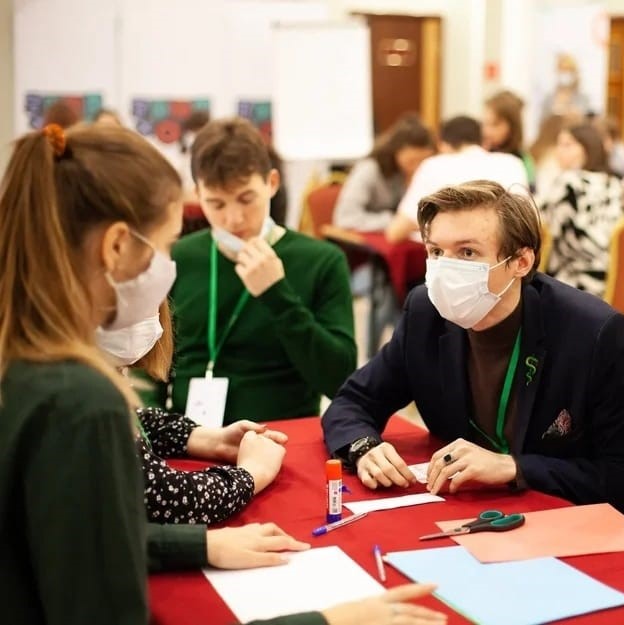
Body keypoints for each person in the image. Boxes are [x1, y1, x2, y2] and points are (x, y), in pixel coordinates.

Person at [0, 123, 445, 625]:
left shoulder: (29, 363)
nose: (232, 219)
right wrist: (330, 621)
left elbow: (87, 539)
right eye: (165, 244)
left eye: (245, 200)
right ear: (117, 246)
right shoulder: (84, 400)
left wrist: (198, 522)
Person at [324, 181, 624, 517]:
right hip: (462, 512)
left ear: (521, 262)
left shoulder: (593, 332)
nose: (445, 269)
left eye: (467, 253)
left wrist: (515, 467)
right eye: (436, 252)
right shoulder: (425, 312)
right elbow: (352, 402)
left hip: (557, 522)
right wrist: (363, 447)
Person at [157, 117, 356, 424]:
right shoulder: (179, 257)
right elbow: (150, 367)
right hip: (193, 436)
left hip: (283, 434)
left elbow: (339, 380)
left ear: (272, 183)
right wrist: (160, 433)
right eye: (216, 204)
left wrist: (277, 295)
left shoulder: (322, 260)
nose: (234, 219)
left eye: (246, 199)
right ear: (197, 193)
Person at [98, 300, 288, 524]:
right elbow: (163, 497)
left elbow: (134, 419)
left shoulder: (98, 372)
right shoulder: (82, 386)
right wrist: (252, 473)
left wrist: (208, 439)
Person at [385, 116, 529, 243]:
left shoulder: (434, 166)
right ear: (483, 141)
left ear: (442, 145)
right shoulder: (513, 163)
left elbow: (395, 232)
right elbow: (526, 223)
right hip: (509, 256)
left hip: (457, 260)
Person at [539, 123, 624, 297]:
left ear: (587, 148)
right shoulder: (614, 183)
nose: (558, 151)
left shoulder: (570, 182)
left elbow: (542, 227)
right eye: (559, 144)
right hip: (612, 277)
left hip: (573, 280)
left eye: (567, 145)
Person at [334, 114, 435, 232]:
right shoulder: (369, 169)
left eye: (423, 161)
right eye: (411, 161)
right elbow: (345, 219)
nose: (417, 167)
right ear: (396, 151)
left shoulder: (423, 172)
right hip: (367, 236)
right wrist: (393, 221)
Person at [481, 90, 535, 188]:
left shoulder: (522, 160)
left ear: (513, 126)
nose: (486, 131)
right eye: (485, 123)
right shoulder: (481, 153)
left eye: (495, 124)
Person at [541, 53, 591, 121]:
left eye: (568, 70)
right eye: (561, 70)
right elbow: (543, 121)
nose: (565, 73)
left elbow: (586, 121)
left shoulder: (583, 98)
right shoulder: (549, 98)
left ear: (574, 73)